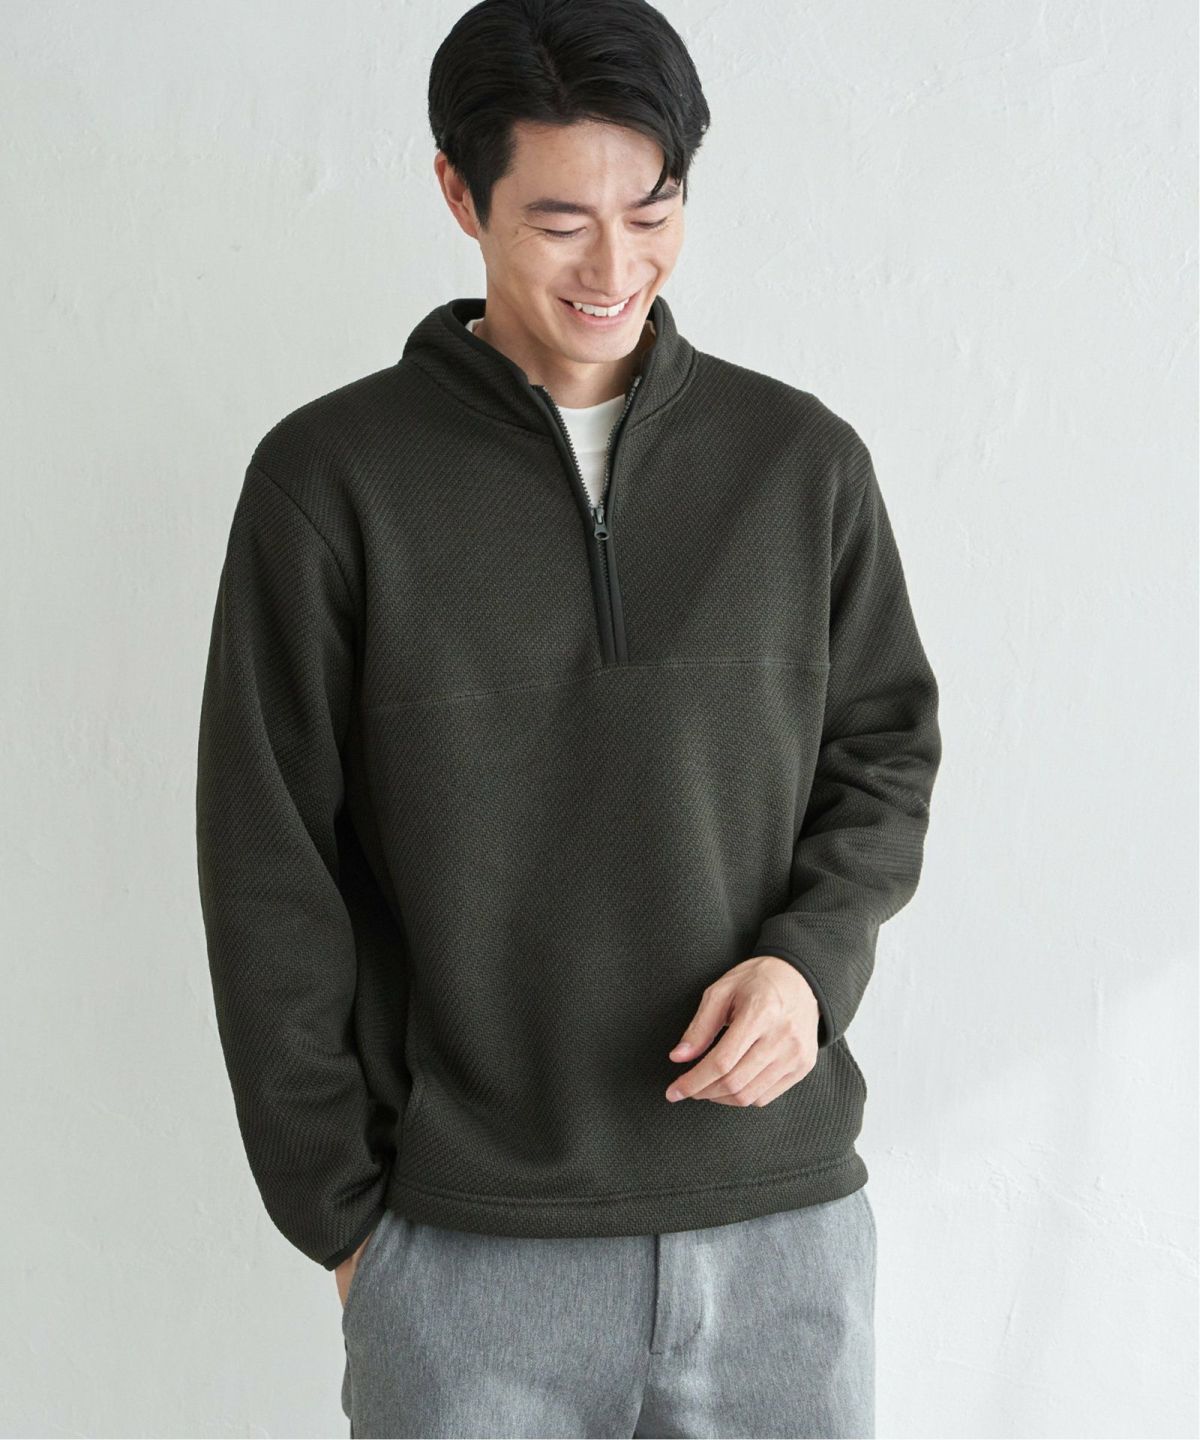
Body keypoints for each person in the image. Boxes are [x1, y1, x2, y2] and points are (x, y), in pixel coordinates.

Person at [195, 1, 942, 1435]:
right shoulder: (330, 483)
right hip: (468, 1257)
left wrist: (810, 966)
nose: (615, 268)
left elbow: (883, 754)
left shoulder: (799, 464)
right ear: (457, 194)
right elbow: (267, 859)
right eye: (558, 222)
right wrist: (345, 1221)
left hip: (782, 1240)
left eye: (652, 211)